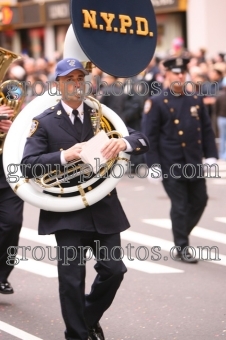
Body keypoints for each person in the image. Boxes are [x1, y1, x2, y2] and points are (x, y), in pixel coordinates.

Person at [21, 58, 149, 340]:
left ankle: (88, 318)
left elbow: (140, 138)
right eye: (70, 79)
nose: (77, 84)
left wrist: (124, 143)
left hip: (103, 207)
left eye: (81, 78)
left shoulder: (100, 113)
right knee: (71, 281)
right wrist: (65, 155)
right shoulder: (42, 122)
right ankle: (77, 335)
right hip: (66, 212)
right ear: (58, 85)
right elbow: (28, 165)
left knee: (114, 270)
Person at [142, 55, 218, 264]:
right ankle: (182, 246)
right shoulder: (156, 102)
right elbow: (151, 136)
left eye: (182, 73)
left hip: (193, 162)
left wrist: (211, 155)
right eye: (175, 73)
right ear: (166, 74)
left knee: (200, 201)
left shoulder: (194, 99)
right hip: (171, 164)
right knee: (181, 205)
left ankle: (180, 236)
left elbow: (206, 130)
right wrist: (153, 165)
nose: (179, 76)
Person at [0, 105, 24, 294]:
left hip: (8, 173)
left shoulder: (10, 92)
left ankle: (2, 276)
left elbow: (29, 125)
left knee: (12, 223)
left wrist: (15, 127)